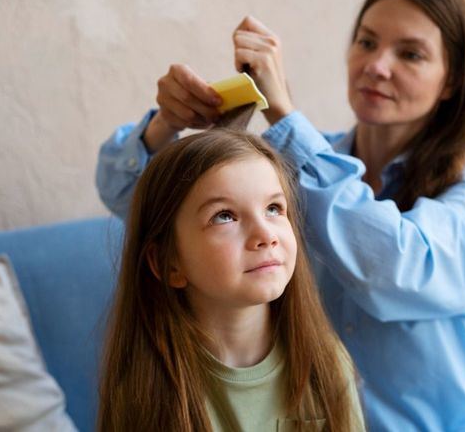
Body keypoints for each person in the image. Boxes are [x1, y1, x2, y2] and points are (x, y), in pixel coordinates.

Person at [96, 0, 465, 431]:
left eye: (410, 54)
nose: (377, 66)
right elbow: (129, 198)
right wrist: (165, 123)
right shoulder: (301, 164)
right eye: (366, 42)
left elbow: (402, 270)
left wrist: (284, 112)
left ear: (452, 81)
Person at [97, 129, 365, 431]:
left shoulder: (327, 363)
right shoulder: (142, 391)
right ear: (167, 263)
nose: (266, 235)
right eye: (224, 216)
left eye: (274, 208)